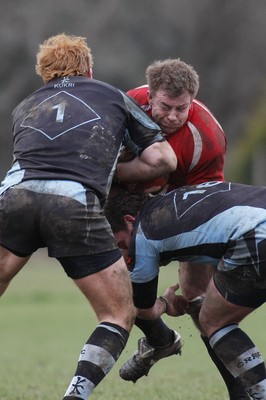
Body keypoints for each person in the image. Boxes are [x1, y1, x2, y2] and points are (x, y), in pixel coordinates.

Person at [0, 33, 177, 400]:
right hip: (71, 203)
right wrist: (109, 172)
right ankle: (75, 395)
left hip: (12, 198)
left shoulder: (25, 105)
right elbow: (164, 160)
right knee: (117, 313)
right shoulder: (111, 95)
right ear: (89, 69)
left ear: (44, 75)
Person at [113, 59, 247, 399]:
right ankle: (160, 340)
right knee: (123, 291)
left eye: (181, 109)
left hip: (182, 212)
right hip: (128, 209)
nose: (172, 116)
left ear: (192, 101)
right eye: (165, 107)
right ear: (149, 98)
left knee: (202, 303)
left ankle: (238, 389)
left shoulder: (209, 139)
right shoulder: (126, 106)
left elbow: (204, 204)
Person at [105, 181, 266, 399]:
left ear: (129, 221)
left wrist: (164, 302)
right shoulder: (176, 197)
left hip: (255, 234)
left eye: (120, 244)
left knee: (213, 321)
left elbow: (141, 308)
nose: (124, 253)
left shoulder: (143, 235)